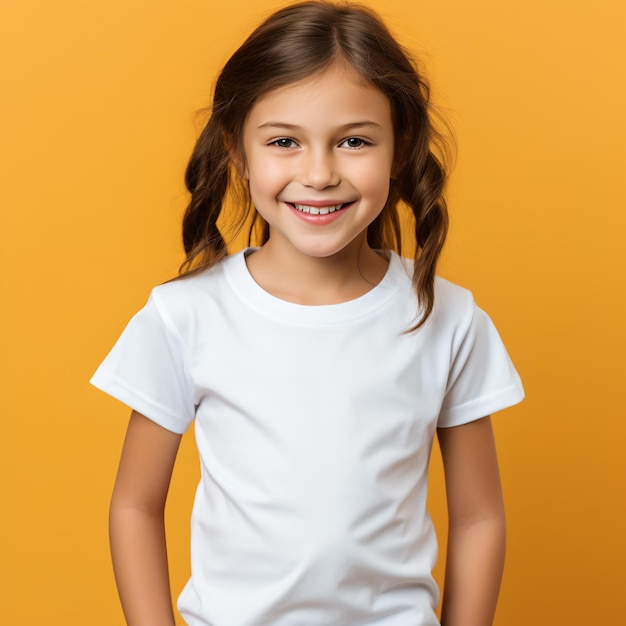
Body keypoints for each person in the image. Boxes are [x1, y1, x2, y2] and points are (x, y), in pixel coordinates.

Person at [91, 2, 524, 625]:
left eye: (353, 141)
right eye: (284, 142)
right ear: (237, 154)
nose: (319, 174)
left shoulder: (448, 317)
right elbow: (134, 505)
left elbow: (480, 516)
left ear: (399, 150)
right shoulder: (184, 317)